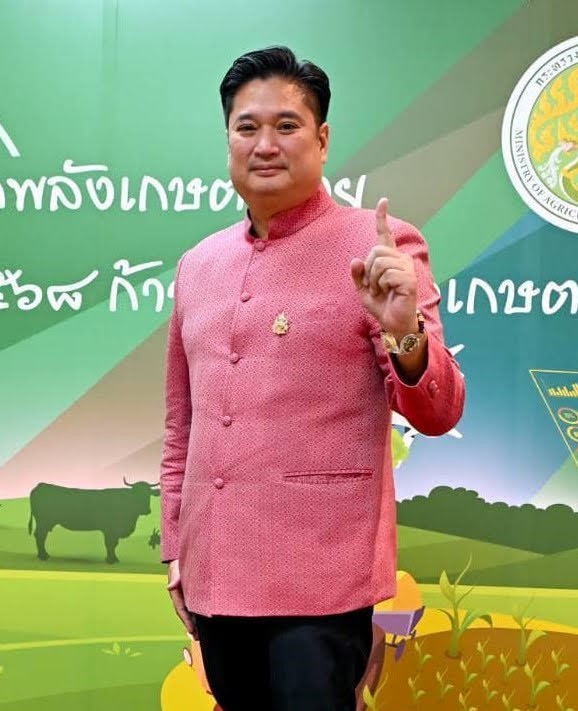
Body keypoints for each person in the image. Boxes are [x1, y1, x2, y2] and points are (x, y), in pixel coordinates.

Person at [160, 46, 464, 711]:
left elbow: (439, 411)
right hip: (214, 576)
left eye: (287, 125)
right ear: (228, 139)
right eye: (247, 127)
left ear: (322, 140)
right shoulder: (197, 264)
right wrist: (177, 547)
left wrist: (405, 330)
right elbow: (183, 426)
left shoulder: (381, 249)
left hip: (322, 581)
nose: (265, 144)